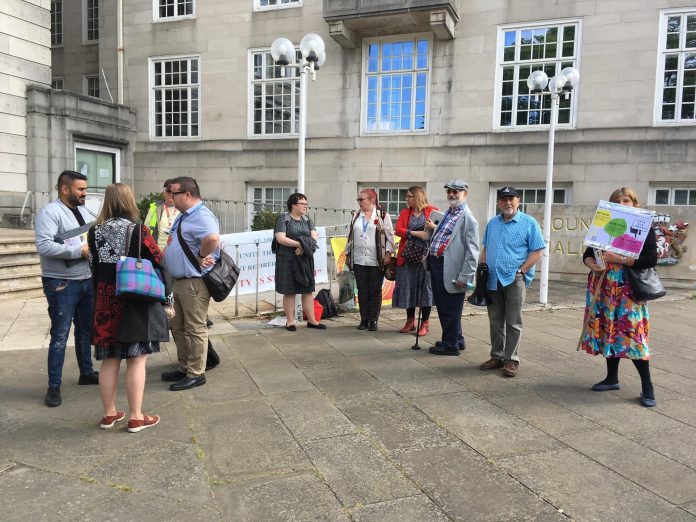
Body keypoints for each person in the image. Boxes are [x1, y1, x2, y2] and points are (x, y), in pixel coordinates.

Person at [88, 183, 168, 432]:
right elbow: (158, 258)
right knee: (136, 359)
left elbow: (92, 263)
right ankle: (136, 416)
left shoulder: (94, 232)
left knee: (109, 359)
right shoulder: (138, 230)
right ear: (128, 201)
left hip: (104, 300)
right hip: (133, 299)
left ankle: (109, 414)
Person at [581, 187, 658, 407]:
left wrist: (620, 258)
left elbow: (651, 259)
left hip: (629, 289)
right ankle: (611, 378)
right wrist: (592, 264)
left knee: (634, 335)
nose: (622, 204)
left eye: (627, 200)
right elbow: (587, 254)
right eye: (618, 200)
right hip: (604, 285)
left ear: (635, 204)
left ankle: (647, 386)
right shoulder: (604, 225)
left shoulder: (644, 227)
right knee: (608, 329)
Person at [34, 170, 99, 407]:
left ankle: (87, 372)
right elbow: (44, 246)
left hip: (86, 278)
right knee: (60, 336)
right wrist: (78, 251)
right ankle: (54, 387)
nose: (85, 193)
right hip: (61, 282)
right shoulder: (49, 213)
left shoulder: (83, 210)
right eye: (81, 189)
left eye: (85, 188)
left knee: (84, 330)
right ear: (65, 189)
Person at [161, 177, 220, 391]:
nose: (170, 196)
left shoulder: (202, 215)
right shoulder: (185, 216)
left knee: (195, 328)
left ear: (186, 194)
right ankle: (184, 366)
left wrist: (201, 255)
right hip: (179, 281)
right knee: (177, 326)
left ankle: (196, 373)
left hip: (193, 282)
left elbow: (213, 238)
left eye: (173, 192)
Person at [479, 186, 544, 377]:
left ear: (518, 200)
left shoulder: (529, 223)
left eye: (511, 199)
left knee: (514, 321)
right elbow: (485, 248)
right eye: (503, 199)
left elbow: (538, 250)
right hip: (492, 279)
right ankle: (497, 356)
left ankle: (511, 359)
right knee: (495, 320)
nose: (507, 202)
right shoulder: (493, 223)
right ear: (498, 203)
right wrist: (483, 268)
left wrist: (521, 271)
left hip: (514, 278)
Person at [427, 180, 479, 356]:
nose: (452, 194)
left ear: (465, 193)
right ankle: (457, 338)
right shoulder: (449, 213)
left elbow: (473, 252)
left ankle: (450, 345)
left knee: (450, 307)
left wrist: (465, 277)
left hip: (452, 269)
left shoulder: (468, 218)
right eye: (449, 191)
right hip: (437, 264)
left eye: (456, 191)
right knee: (443, 305)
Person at [274, 193, 327, 331]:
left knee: (307, 290)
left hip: (304, 259)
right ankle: (290, 321)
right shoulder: (283, 219)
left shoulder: (307, 219)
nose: (305, 206)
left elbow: (314, 235)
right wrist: (299, 244)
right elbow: (281, 238)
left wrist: (303, 246)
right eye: (302, 204)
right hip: (287, 260)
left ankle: (312, 321)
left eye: (306, 204)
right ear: (293, 205)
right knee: (289, 291)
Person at [346, 189, 395, 331]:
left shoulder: (382, 215)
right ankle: (364, 319)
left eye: (362, 200)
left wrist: (387, 254)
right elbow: (351, 236)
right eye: (358, 200)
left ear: (371, 199)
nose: (359, 202)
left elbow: (390, 237)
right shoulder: (356, 215)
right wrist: (348, 254)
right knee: (362, 290)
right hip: (359, 258)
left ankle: (373, 319)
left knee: (374, 290)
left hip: (376, 259)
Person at [393, 186, 438, 336]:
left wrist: (433, 227)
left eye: (409, 196)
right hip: (408, 256)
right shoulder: (406, 212)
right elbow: (398, 230)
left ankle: (425, 323)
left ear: (418, 196)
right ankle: (410, 321)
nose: (407, 199)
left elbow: (441, 230)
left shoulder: (432, 210)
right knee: (408, 287)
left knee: (425, 288)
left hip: (426, 257)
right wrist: (414, 233)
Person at [144, 178, 178, 251]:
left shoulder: (183, 209)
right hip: (157, 252)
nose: (171, 194)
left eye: (174, 192)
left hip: (176, 253)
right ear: (164, 192)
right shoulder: (154, 208)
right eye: (169, 191)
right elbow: (146, 231)